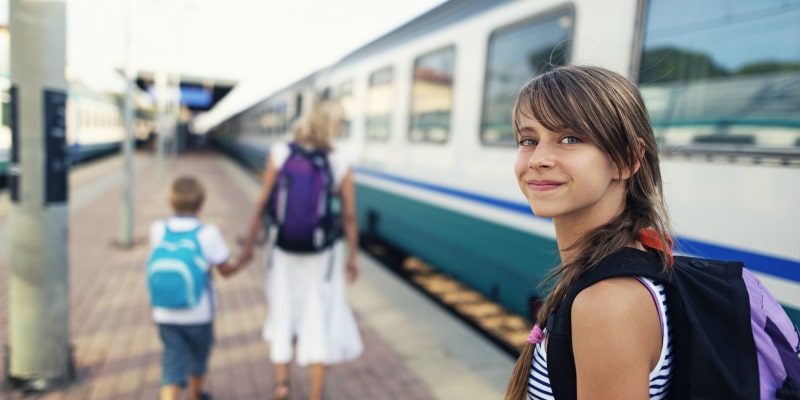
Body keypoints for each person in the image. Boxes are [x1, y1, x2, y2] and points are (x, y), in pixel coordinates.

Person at [504, 65, 674, 399]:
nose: (538, 159)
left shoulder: (606, 303)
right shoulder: (624, 269)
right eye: (528, 140)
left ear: (626, 160)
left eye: (570, 138)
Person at [240, 99, 363, 400]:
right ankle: (315, 394)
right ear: (332, 126)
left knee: (283, 310)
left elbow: (262, 202)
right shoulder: (339, 161)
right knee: (318, 316)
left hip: (282, 250)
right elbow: (348, 216)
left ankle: (282, 387)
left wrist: (248, 246)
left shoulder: (280, 153)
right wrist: (353, 256)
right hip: (322, 255)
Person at [149, 176, 249, 400]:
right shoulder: (207, 234)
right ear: (202, 204)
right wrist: (244, 260)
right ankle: (195, 395)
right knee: (198, 358)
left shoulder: (157, 230)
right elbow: (225, 271)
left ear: (171, 202)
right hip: (199, 313)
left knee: (172, 363)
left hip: (164, 312)